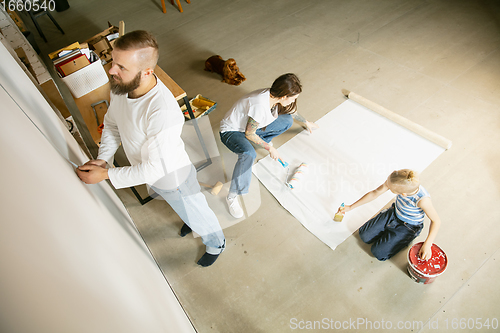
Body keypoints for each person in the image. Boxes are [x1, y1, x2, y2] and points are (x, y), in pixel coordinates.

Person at [76, 30, 225, 267]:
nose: (112, 71)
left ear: (147, 71)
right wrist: (104, 159)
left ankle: (216, 242)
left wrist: (105, 174)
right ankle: (191, 218)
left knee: (197, 210)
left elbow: (155, 169)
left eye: (121, 67)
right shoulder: (122, 86)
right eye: (113, 62)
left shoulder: (162, 113)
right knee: (188, 208)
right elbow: (113, 124)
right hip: (149, 171)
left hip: (172, 177)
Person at [219, 73, 319, 218]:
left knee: (287, 121)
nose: (295, 100)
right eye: (294, 97)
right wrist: (269, 148)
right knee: (249, 154)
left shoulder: (274, 96)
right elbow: (249, 134)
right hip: (232, 131)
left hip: (249, 127)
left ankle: (262, 141)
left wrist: (305, 122)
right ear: (284, 96)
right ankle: (232, 196)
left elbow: (292, 111)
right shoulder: (259, 105)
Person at [337, 169, 441, 261]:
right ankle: (389, 228)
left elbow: (436, 221)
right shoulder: (397, 181)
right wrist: (350, 207)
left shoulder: (422, 200)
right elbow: (374, 193)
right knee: (364, 235)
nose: (387, 186)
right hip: (394, 213)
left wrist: (428, 244)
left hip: (409, 226)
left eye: (390, 189)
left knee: (378, 253)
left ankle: (405, 238)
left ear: (403, 194)